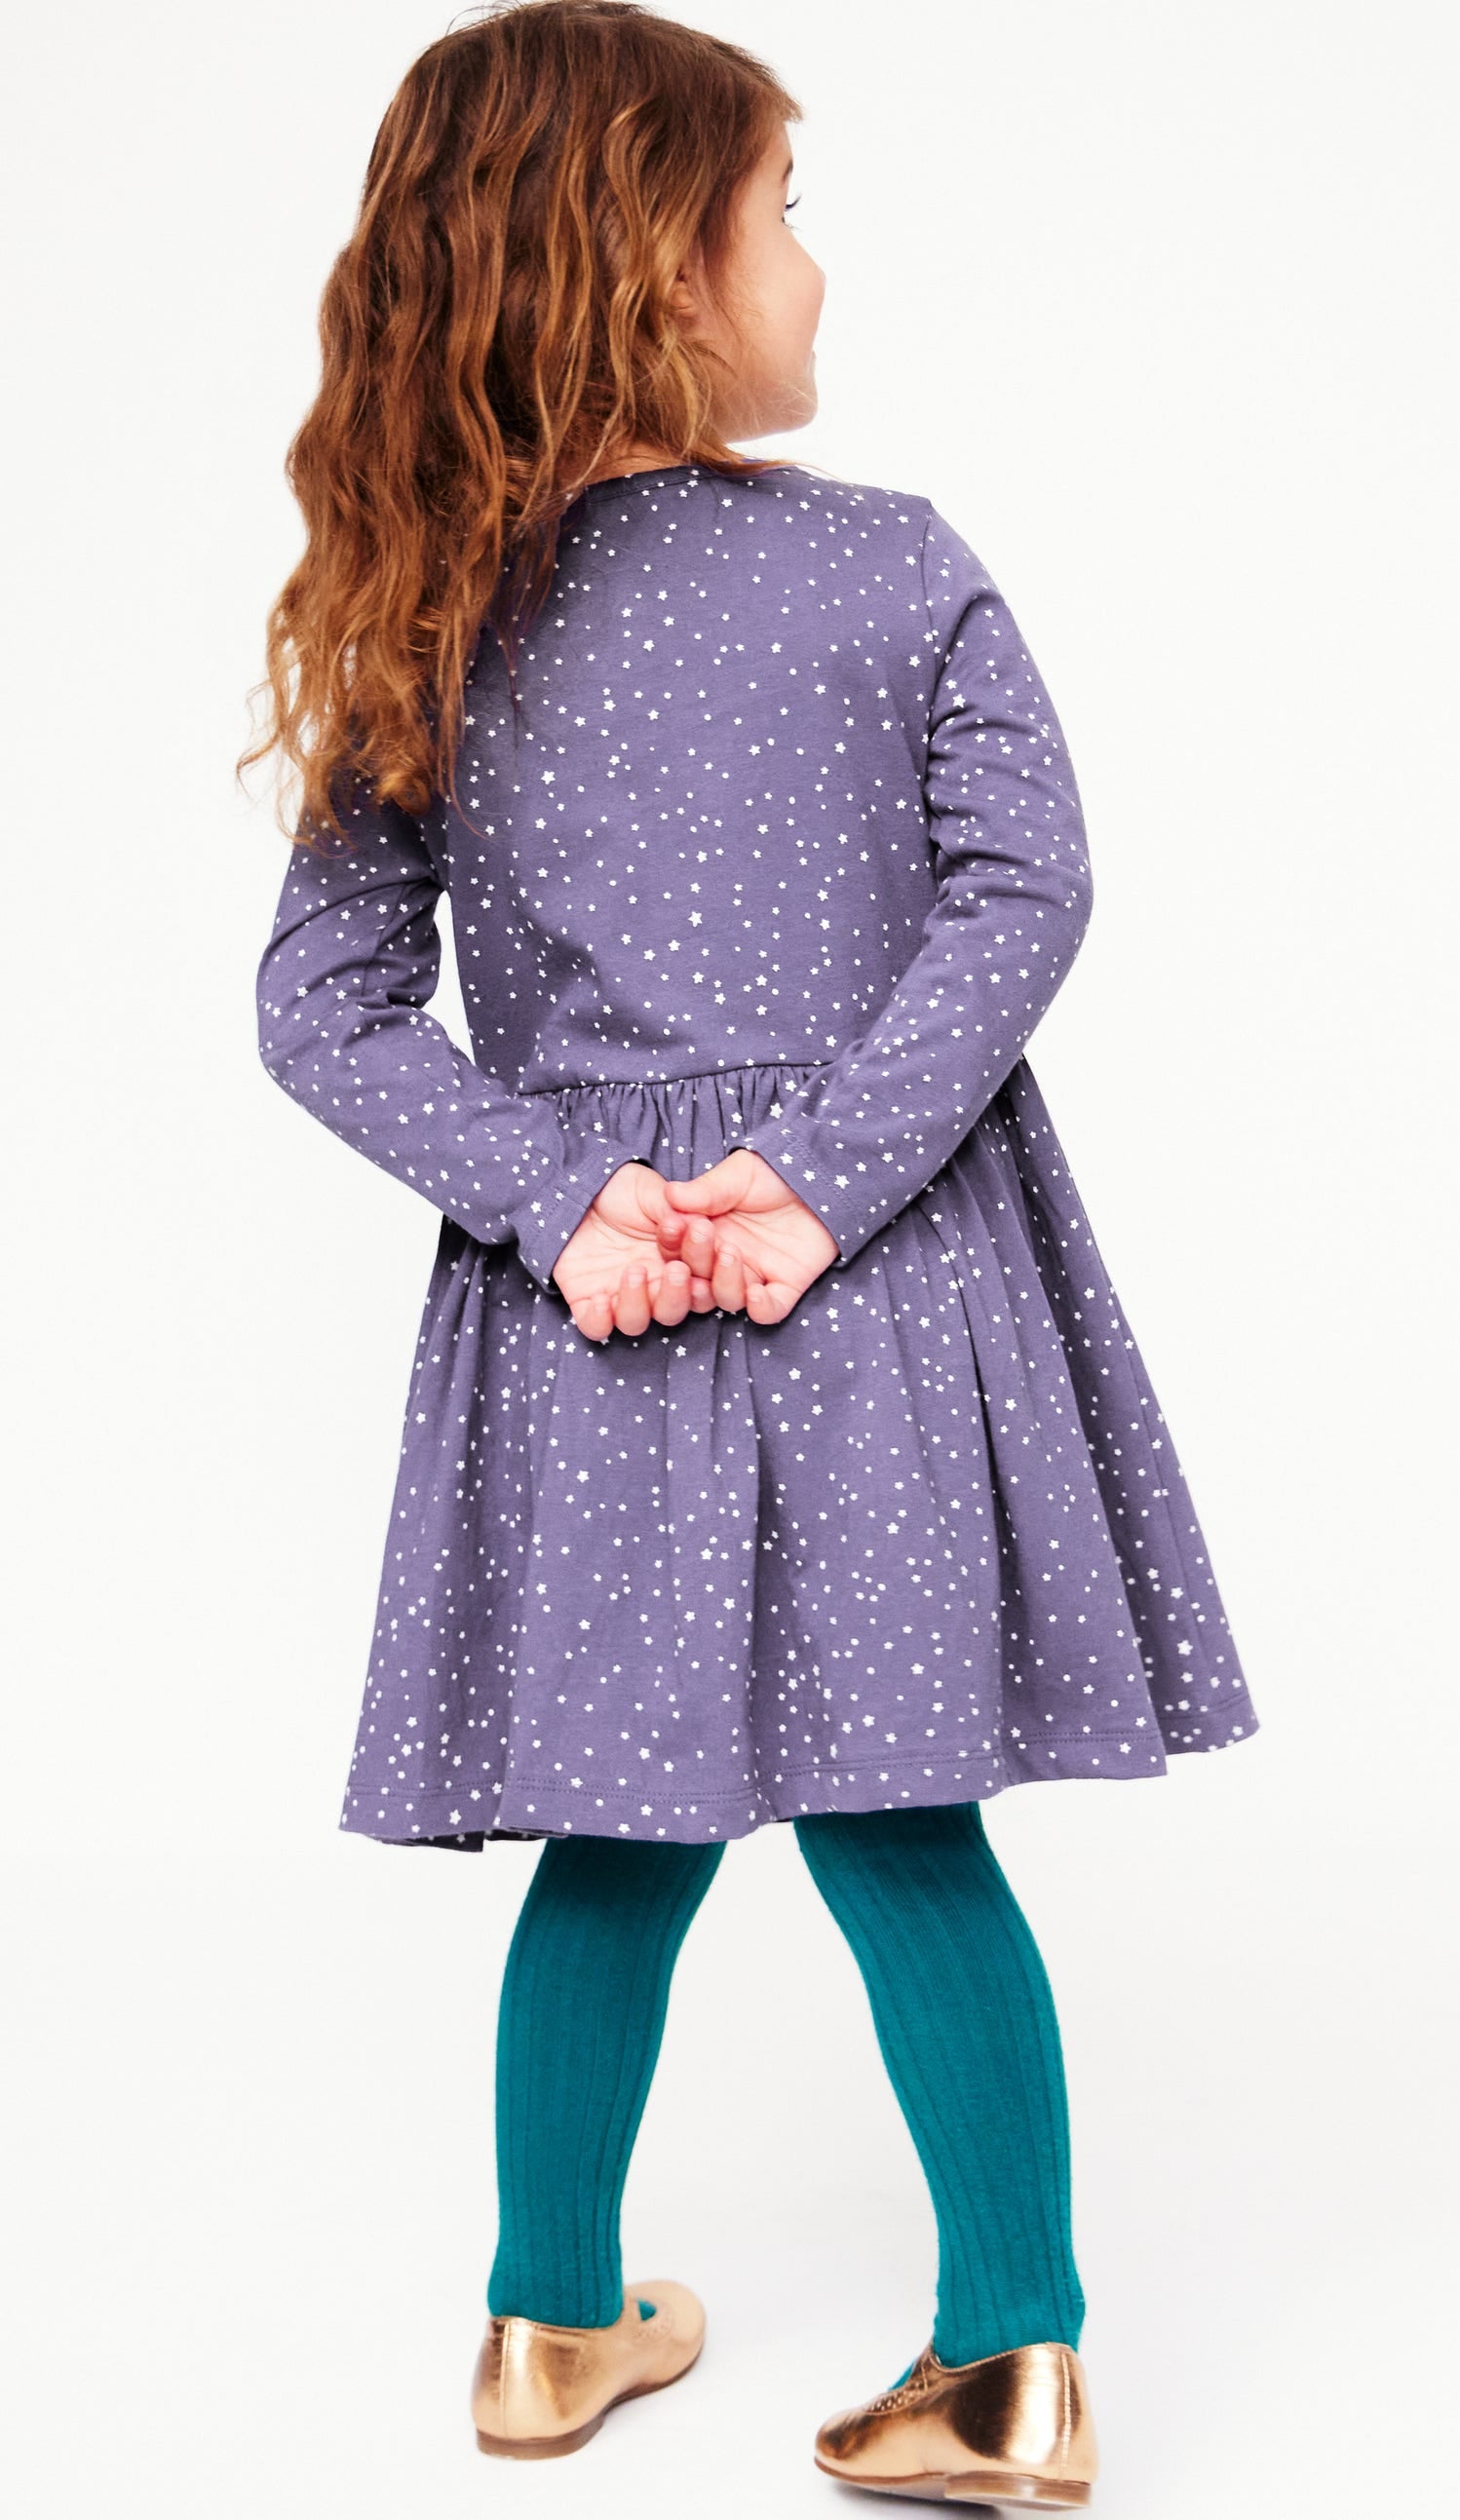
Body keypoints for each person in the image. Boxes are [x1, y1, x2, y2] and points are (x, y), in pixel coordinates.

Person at [248, 2, 1260, 2501]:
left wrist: (562, 1197)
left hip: (590, 1314)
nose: (812, 261)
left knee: (618, 1827)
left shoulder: (426, 613)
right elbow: (1027, 888)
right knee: (903, 1816)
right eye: (779, 211)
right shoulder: (890, 561)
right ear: (653, 267)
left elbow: (321, 1007)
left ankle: (544, 2323)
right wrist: (819, 1176)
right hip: (877, 1288)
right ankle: (1010, 2360)